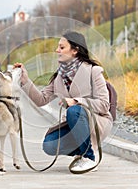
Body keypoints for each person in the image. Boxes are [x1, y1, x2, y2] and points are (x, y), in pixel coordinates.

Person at [14, 31, 113, 172]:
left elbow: (104, 105)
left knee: (74, 110)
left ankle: (89, 158)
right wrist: (24, 80)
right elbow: (41, 100)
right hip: (73, 123)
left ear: (74, 50)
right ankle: (81, 151)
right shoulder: (59, 77)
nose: (57, 50)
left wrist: (76, 101)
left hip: (96, 121)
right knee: (49, 145)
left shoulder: (94, 71)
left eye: (61, 47)